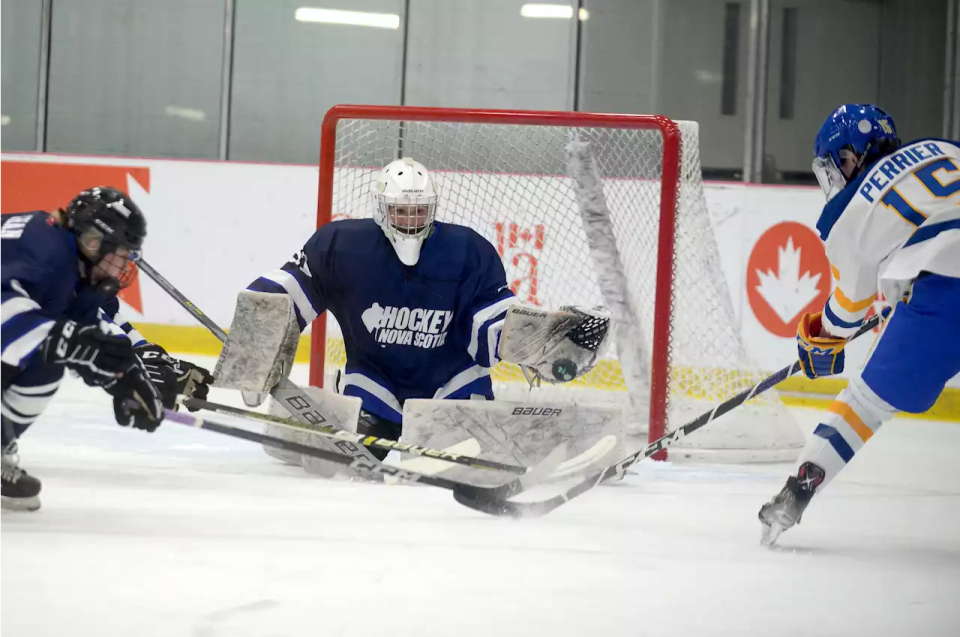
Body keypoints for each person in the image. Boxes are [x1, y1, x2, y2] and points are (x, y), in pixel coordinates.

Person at [223, 158, 608, 460]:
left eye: (419, 212)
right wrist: (256, 337)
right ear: (381, 209)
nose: (410, 222)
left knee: (466, 446)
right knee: (348, 451)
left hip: (451, 380)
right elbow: (290, 289)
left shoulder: (467, 250)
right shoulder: (342, 246)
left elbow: (488, 322)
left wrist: (540, 339)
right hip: (374, 380)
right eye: (401, 213)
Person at [759, 104, 960, 545]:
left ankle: (796, 492)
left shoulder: (850, 213)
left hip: (948, 292)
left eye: (835, 165)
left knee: (864, 404)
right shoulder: (942, 147)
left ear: (853, 156)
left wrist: (822, 337)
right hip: (941, 280)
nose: (834, 178)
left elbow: (848, 311)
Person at [0, 187, 212, 511]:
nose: (120, 268)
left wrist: (128, 377)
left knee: (49, 360)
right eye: (119, 256)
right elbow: (10, 317)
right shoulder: (42, 250)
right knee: (48, 347)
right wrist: (76, 343)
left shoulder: (73, 268)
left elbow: (88, 335)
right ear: (93, 241)